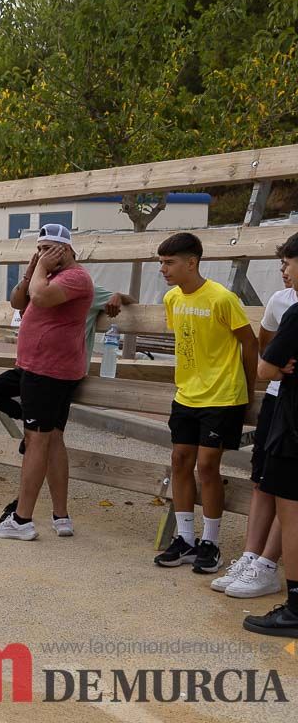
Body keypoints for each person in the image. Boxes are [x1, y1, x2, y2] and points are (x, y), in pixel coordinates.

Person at [0, 224, 93, 542]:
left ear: (67, 251)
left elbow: (40, 299)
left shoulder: (75, 277)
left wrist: (42, 269)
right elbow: (20, 301)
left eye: (50, 249)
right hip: (33, 368)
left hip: (49, 372)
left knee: (39, 442)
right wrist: (33, 270)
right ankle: (61, 516)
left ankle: (22, 520)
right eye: (40, 248)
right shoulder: (43, 275)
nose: (43, 254)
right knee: (50, 437)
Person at [154, 232, 257, 574]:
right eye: (161, 262)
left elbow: (249, 343)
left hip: (223, 396)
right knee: (180, 461)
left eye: (169, 263)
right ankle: (185, 539)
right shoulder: (172, 299)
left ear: (192, 262)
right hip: (186, 395)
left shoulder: (222, 298)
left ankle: (211, 542)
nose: (163, 269)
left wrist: (247, 389)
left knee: (208, 466)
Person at [214, 255, 291, 598]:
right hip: (279, 399)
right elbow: (267, 352)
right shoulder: (281, 300)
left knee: (288, 490)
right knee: (262, 479)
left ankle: (268, 564)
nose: (284, 271)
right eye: (282, 264)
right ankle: (251, 556)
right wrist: (275, 363)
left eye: (289, 263)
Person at [243, 233, 298, 638]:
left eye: (290, 263)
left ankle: (295, 607)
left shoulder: (295, 315)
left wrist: (276, 366)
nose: (286, 270)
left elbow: (264, 369)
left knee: (292, 514)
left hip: (293, 428)